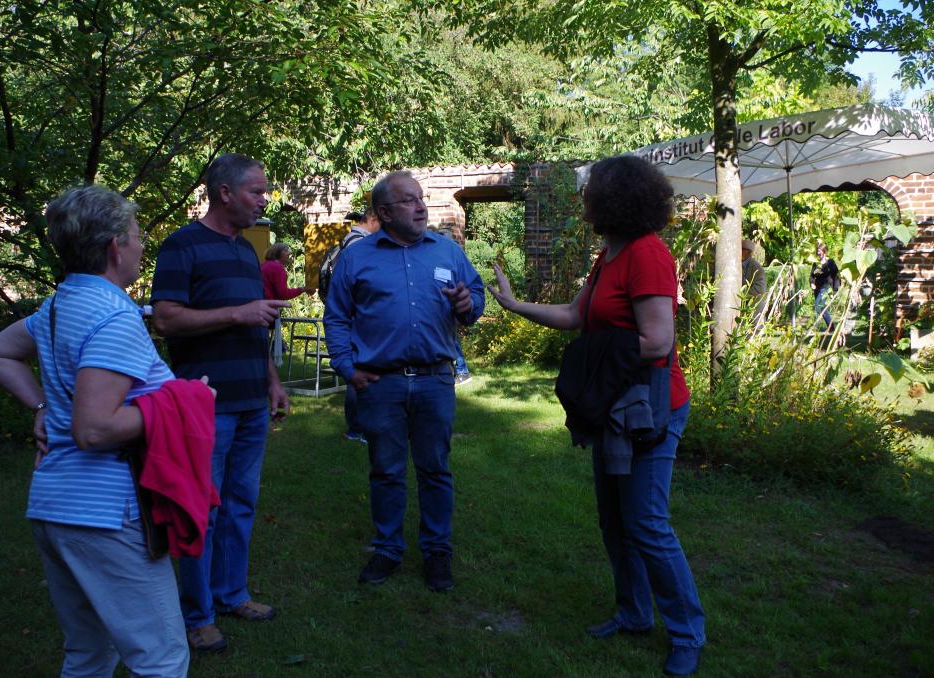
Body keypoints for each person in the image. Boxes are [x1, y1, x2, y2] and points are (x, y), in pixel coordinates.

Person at [488, 155, 705, 676]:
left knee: (648, 523)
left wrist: (593, 356)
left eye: (588, 192)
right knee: (615, 521)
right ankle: (633, 614)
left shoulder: (648, 254)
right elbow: (574, 316)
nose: (582, 200)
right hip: (615, 407)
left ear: (613, 198)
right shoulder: (610, 255)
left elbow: (657, 342)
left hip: (650, 407)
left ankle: (686, 633)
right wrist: (515, 306)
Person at [0, 185, 189, 676]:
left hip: (55, 505)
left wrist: (40, 404)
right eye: (138, 237)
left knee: (89, 651)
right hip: (105, 515)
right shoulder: (115, 315)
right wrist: (182, 403)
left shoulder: (58, 306)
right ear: (116, 246)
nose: (142, 248)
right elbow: (94, 430)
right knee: (161, 657)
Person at [151, 153, 291, 653]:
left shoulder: (248, 253)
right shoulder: (181, 247)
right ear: (225, 193)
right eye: (257, 191)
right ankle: (198, 614)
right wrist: (237, 312)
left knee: (240, 505)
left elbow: (256, 326)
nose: (265, 199)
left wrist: (272, 381)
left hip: (252, 401)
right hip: (203, 405)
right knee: (201, 513)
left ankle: (232, 594)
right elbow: (165, 319)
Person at [324, 171, 485, 592]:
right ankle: (388, 549)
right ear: (383, 212)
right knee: (386, 470)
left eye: (420, 198)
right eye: (408, 200)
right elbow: (337, 316)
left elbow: (476, 298)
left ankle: (437, 552)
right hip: (381, 383)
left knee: (435, 469)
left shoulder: (447, 251)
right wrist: (346, 366)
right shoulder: (357, 257)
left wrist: (469, 303)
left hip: (434, 380)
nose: (420, 206)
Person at [336, 208, 381, 443]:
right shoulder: (358, 246)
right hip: (357, 318)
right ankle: (358, 428)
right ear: (372, 219)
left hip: (354, 317)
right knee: (358, 372)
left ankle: (358, 427)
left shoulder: (348, 241)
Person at [810, 242, 839, 332]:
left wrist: (835, 289)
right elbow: (811, 275)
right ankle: (831, 326)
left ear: (824, 251)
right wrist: (811, 283)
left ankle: (828, 326)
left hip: (826, 287)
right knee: (821, 308)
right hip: (817, 288)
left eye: (819, 251)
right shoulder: (816, 263)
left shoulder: (830, 262)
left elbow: (835, 275)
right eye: (817, 251)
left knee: (819, 307)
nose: (818, 253)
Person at [741, 238, 767, 321]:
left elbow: (760, 289)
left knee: (753, 332)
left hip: (755, 309)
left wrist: (741, 295)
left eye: (741, 249)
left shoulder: (756, 267)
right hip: (744, 308)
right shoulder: (738, 265)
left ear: (747, 252)